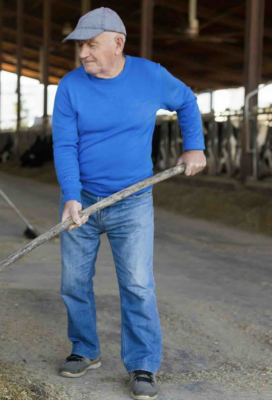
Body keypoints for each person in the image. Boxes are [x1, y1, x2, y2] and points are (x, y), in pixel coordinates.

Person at [52, 8, 206, 400]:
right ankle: (85, 349)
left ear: (117, 43)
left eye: (90, 45)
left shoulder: (150, 76)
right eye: (80, 46)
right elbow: (65, 144)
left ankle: (142, 365)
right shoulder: (70, 86)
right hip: (82, 200)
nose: (83, 54)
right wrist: (71, 195)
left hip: (132, 201)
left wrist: (194, 147)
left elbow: (187, 102)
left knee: (137, 284)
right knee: (73, 281)